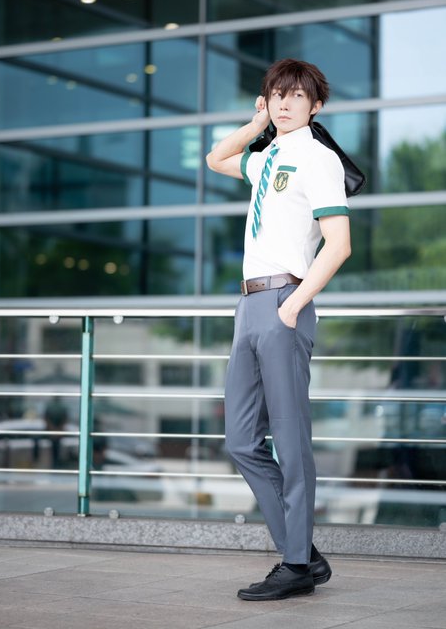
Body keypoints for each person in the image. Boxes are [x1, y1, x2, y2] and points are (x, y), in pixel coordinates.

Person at [206, 58, 351, 601]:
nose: (285, 103)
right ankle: (303, 552)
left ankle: (294, 565)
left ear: (316, 105)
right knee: (241, 440)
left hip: (285, 300)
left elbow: (339, 244)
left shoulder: (318, 158)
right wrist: (256, 124)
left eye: (296, 96)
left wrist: (294, 307)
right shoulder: (267, 156)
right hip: (248, 305)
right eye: (276, 95)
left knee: (290, 442)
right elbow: (216, 158)